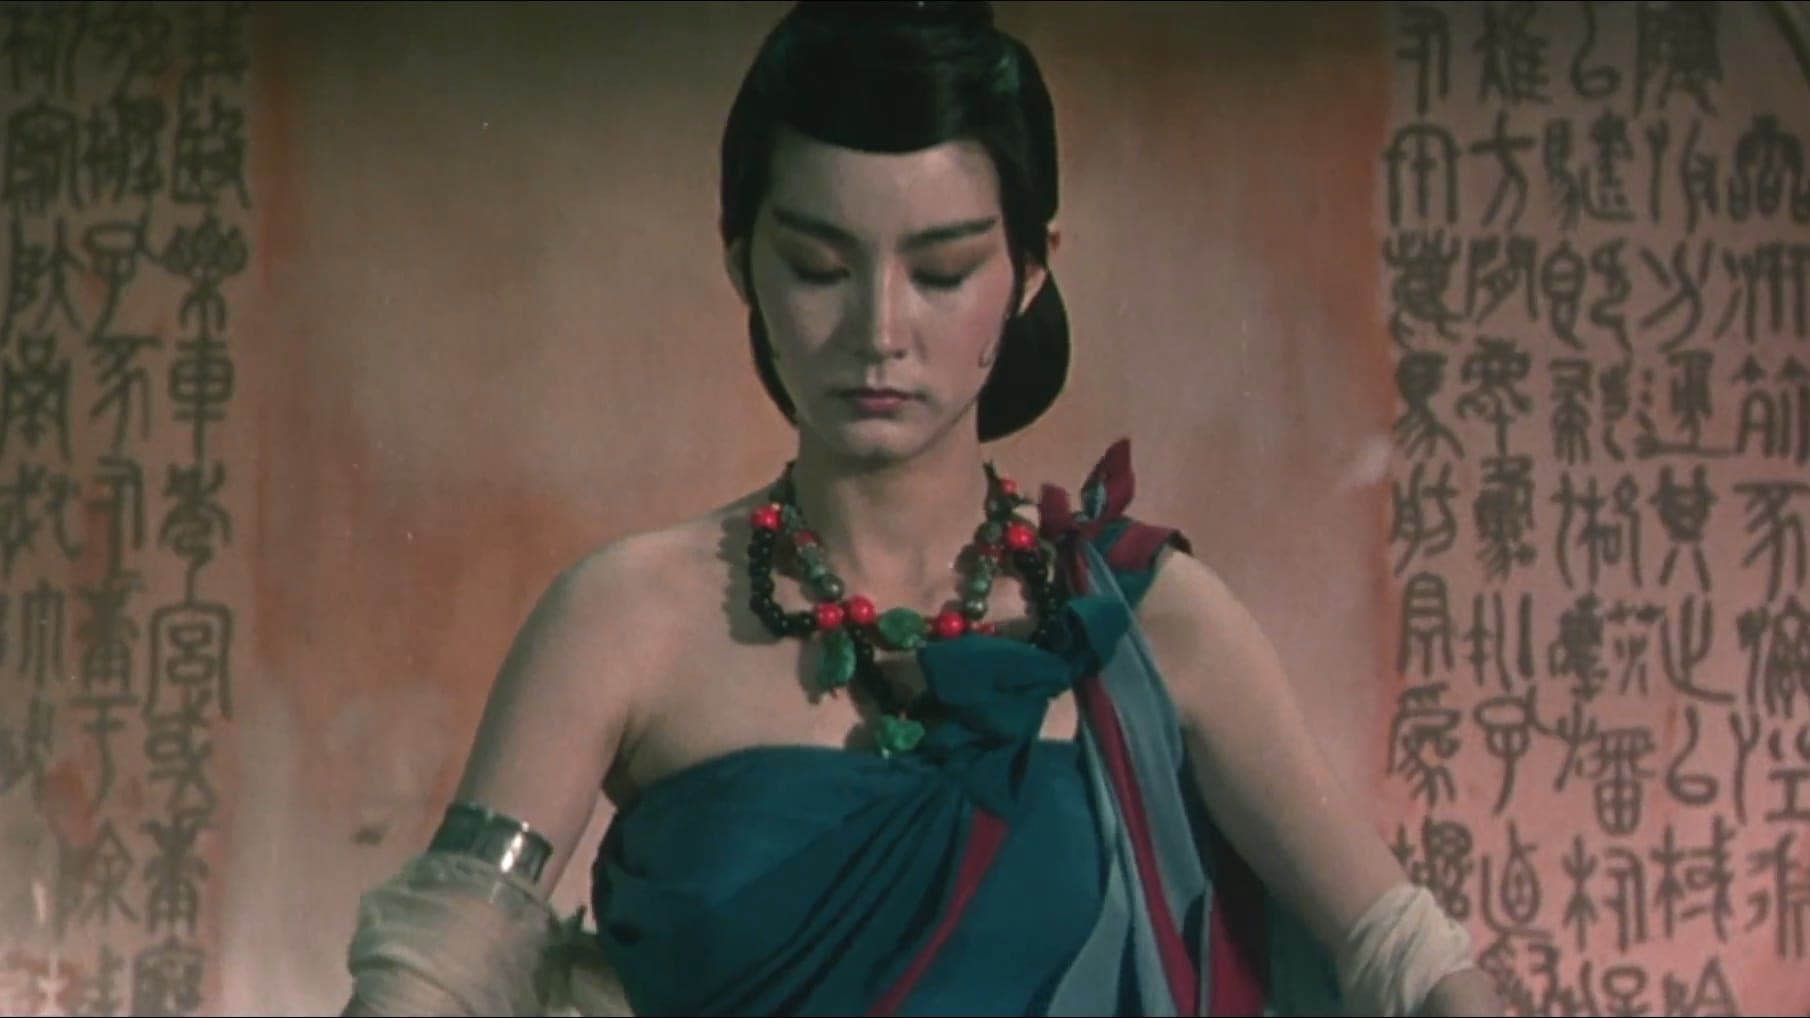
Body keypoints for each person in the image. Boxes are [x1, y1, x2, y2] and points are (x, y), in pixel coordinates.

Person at [341, 3, 1504, 1015]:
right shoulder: (620, 622)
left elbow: (1402, 957)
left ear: (1031, 269)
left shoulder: (1154, 621)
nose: (879, 330)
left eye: (941, 271)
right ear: (741, 262)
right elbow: (443, 963)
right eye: (818, 267)